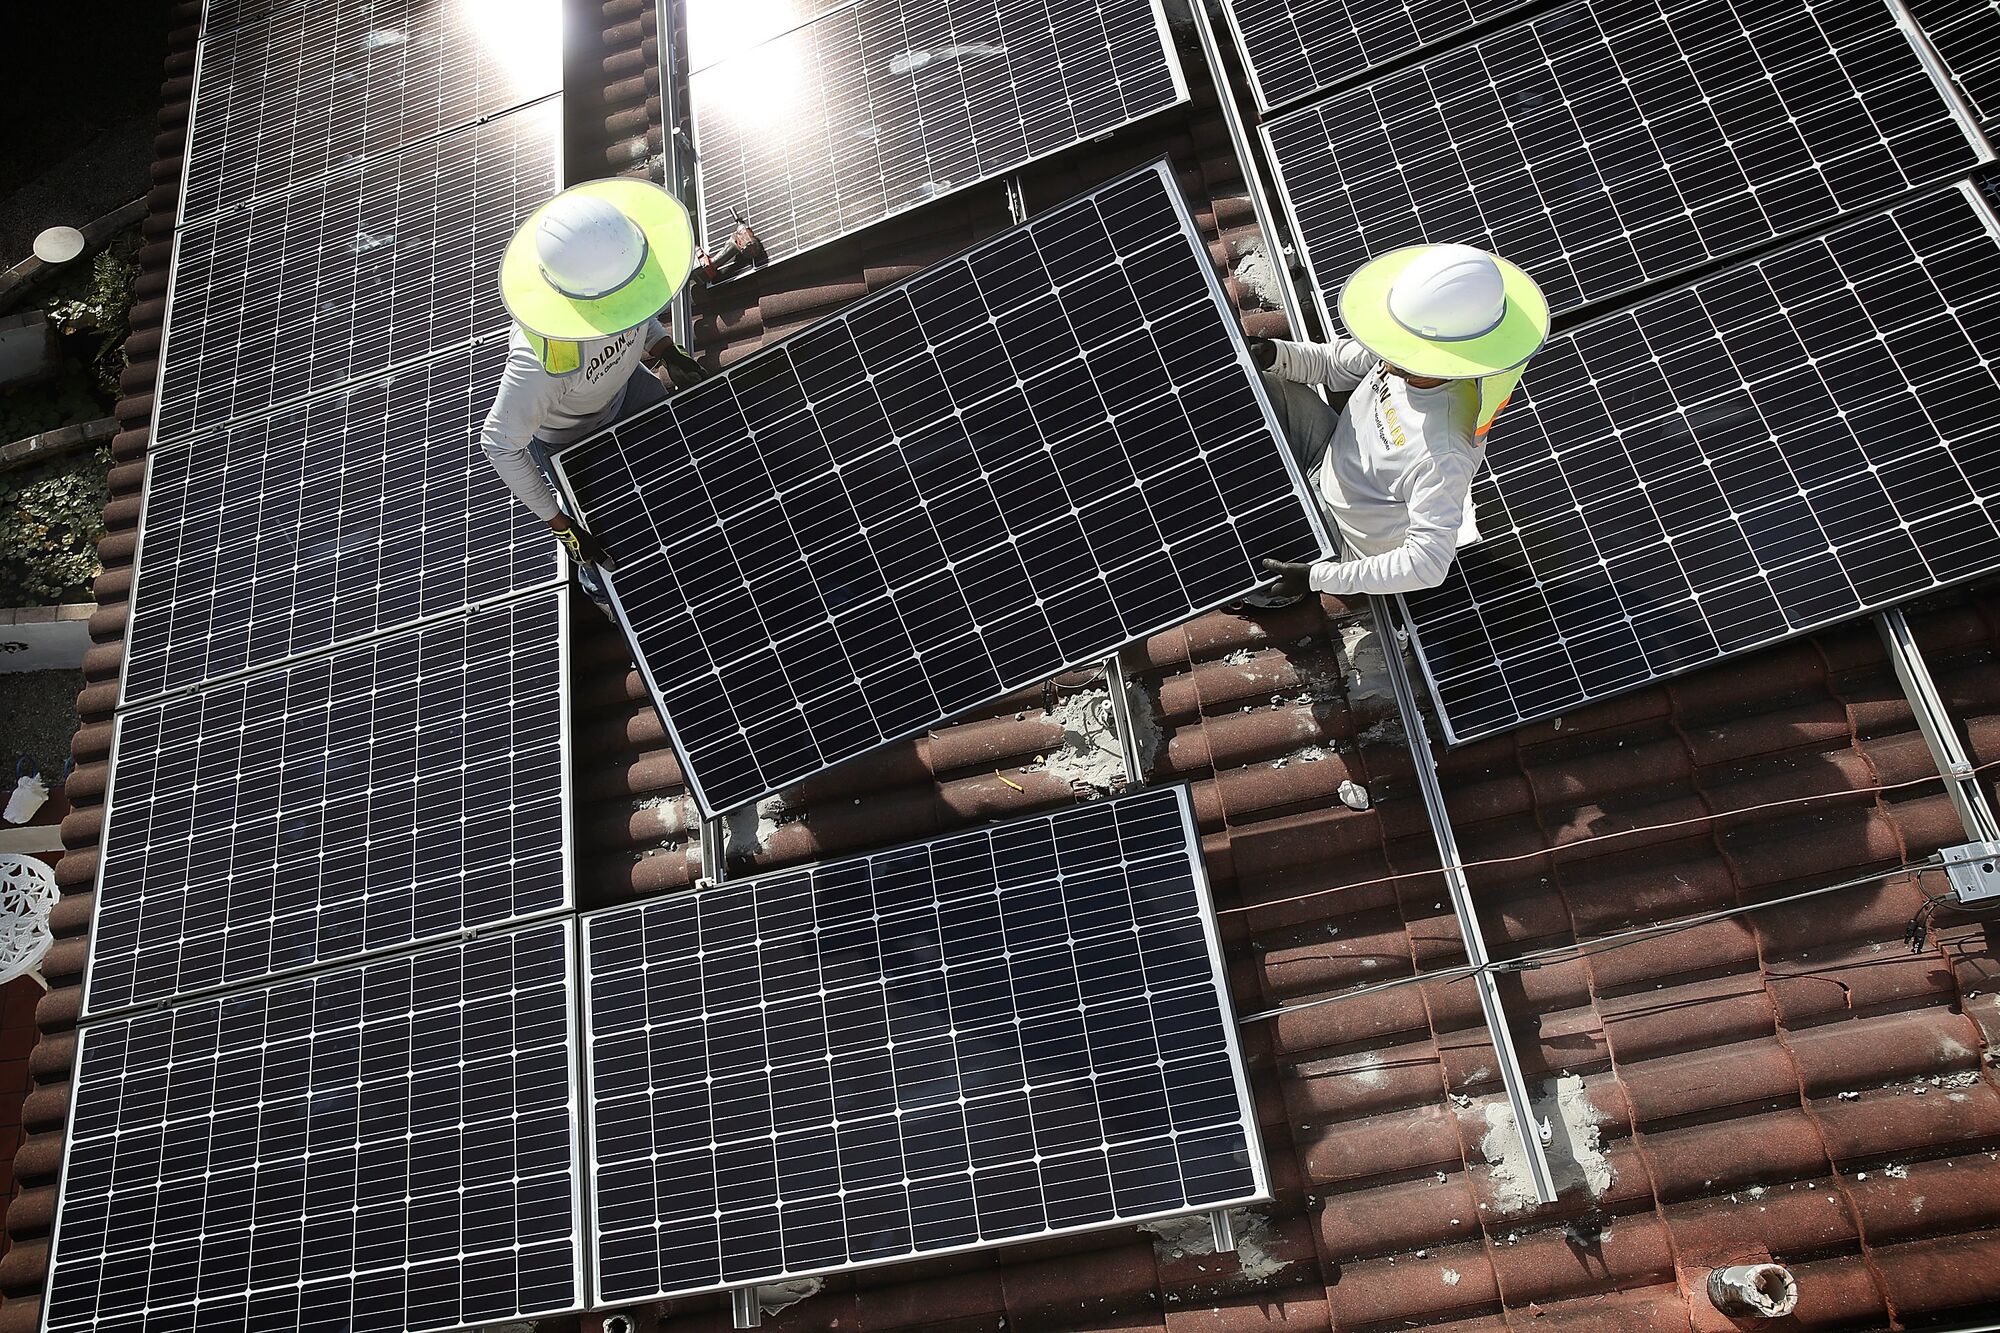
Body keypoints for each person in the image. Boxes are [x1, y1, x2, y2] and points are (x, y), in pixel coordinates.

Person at [1254, 243, 1549, 599]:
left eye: (1399, 345)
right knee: (1253, 380)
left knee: (1245, 564)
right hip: (1324, 454)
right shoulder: (1404, 347)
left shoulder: (1444, 452)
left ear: (1439, 356)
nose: (1385, 349)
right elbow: (1334, 364)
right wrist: (1274, 353)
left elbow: (1427, 564)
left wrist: (1319, 577)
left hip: (1344, 537)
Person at [483, 176, 710, 585]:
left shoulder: (623, 266)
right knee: (612, 553)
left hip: (631, 393)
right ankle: (606, 596)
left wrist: (664, 350)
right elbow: (499, 443)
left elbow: (636, 304)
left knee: (682, 478)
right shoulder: (540, 359)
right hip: (575, 443)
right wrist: (560, 524)